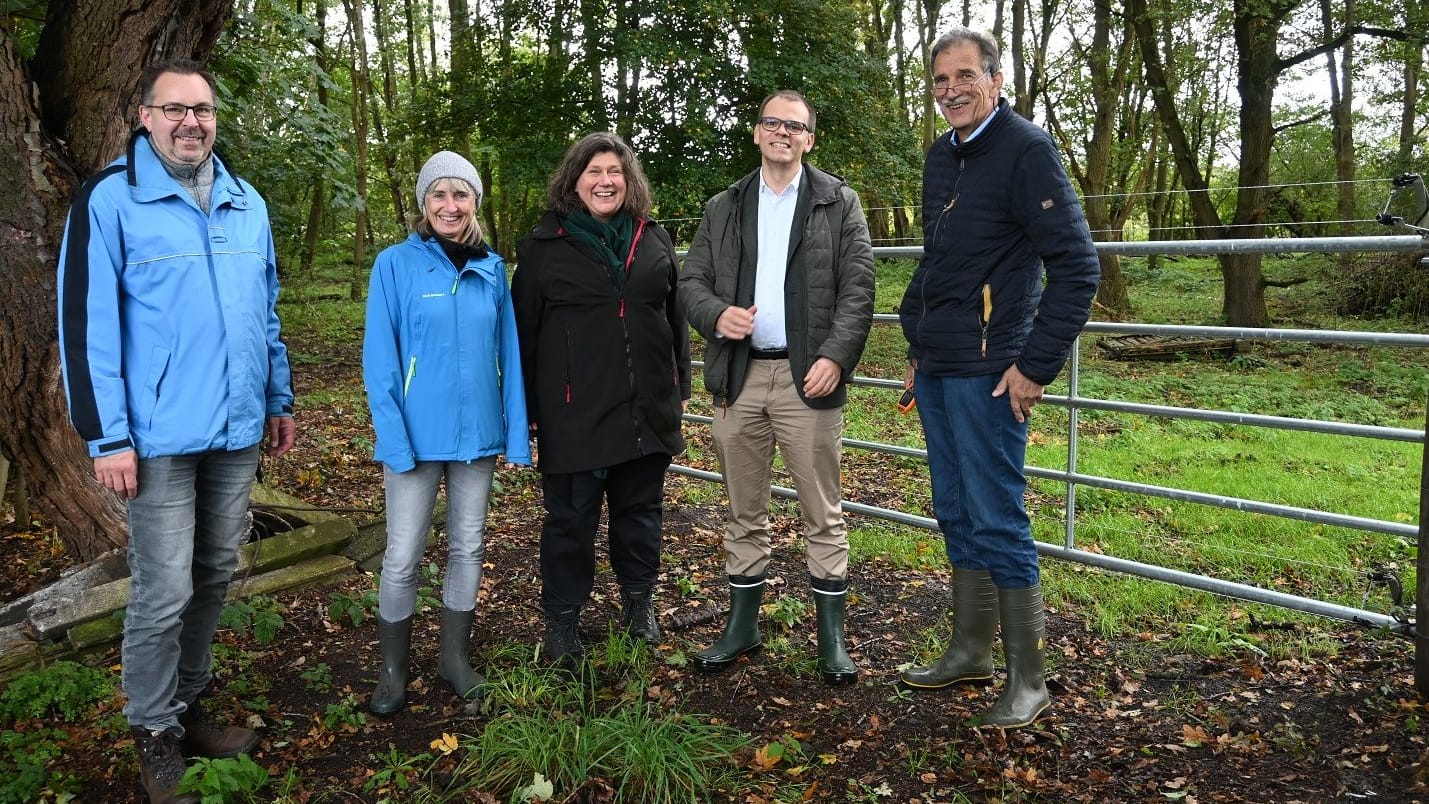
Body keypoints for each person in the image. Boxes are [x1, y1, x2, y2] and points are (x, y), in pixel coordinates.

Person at [56, 59, 296, 803]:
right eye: (176, 109)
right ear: (145, 116)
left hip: (235, 429)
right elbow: (84, 325)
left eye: (204, 110)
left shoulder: (245, 200)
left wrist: (277, 397)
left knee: (214, 574)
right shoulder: (108, 200)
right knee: (161, 591)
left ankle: (187, 708)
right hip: (155, 439)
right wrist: (107, 437)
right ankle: (153, 730)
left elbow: (266, 310)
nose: (192, 122)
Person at [897, 27, 1100, 728]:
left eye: (964, 76)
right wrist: (917, 344)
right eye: (939, 79)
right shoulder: (939, 156)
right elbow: (940, 261)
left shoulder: (1025, 150)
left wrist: (1033, 366)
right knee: (955, 511)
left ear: (995, 80)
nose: (950, 89)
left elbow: (1077, 268)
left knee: (996, 516)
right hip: (939, 366)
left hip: (991, 372)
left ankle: (1028, 679)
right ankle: (968, 650)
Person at [679, 90, 875, 686]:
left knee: (823, 511)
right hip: (739, 377)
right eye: (772, 122)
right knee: (744, 509)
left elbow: (858, 289)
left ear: (809, 139)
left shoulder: (837, 203)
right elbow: (692, 281)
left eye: (795, 125)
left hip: (806, 379)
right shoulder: (725, 206)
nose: (782, 132)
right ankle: (742, 629)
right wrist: (715, 315)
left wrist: (836, 358)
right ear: (758, 133)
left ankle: (831, 640)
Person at [512, 132, 691, 666]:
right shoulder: (543, 249)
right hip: (574, 415)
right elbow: (523, 336)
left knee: (640, 514)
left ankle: (639, 605)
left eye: (614, 171)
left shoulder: (652, 240)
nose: (605, 181)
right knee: (570, 521)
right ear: (573, 181)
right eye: (593, 172)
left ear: (629, 181)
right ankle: (562, 622)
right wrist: (528, 411)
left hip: (645, 410)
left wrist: (677, 386)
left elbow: (674, 318)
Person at [362, 150, 530, 715]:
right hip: (413, 437)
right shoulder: (394, 265)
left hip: (477, 435)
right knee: (404, 553)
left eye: (460, 195)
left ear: (474, 204)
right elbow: (379, 360)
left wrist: (515, 436)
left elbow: (509, 353)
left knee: (468, 547)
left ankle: (454, 659)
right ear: (423, 203)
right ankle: (392, 672)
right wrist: (392, 437)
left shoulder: (491, 270)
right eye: (439, 194)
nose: (450, 205)